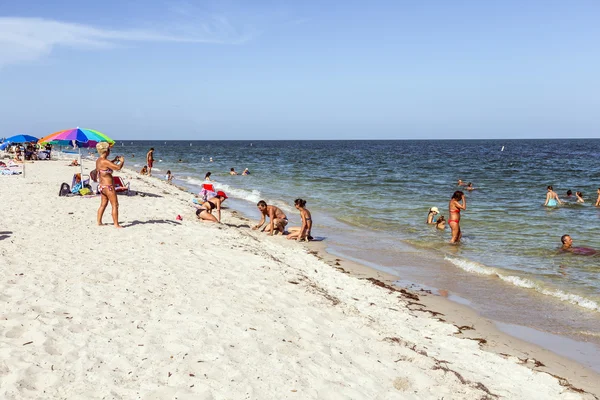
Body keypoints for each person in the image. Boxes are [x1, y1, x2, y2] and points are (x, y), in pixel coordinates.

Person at [96, 142, 125, 228]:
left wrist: (115, 160)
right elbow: (117, 168)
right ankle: (116, 224)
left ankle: (99, 222)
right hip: (108, 187)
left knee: (103, 204)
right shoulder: (104, 161)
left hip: (102, 186)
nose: (110, 151)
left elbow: (107, 165)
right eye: (109, 149)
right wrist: (122, 162)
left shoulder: (99, 160)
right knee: (115, 205)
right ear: (106, 151)